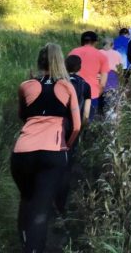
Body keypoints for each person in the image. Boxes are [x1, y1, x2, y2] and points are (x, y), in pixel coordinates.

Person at [11, 43, 81, 253]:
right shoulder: (67, 87)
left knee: (27, 199)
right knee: (41, 210)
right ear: (60, 61)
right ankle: (33, 249)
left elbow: (23, 116)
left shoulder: (26, 85)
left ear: (39, 62)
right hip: (52, 153)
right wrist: (66, 146)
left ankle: (25, 243)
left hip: (22, 152)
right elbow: (77, 126)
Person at [55, 55, 91, 216]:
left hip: (56, 127)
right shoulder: (85, 85)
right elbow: (86, 115)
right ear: (79, 67)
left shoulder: (58, 82)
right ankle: (61, 205)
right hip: (74, 128)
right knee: (67, 165)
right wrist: (82, 128)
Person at [68, 31, 110, 121]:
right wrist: (97, 94)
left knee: (71, 122)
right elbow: (103, 83)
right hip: (92, 94)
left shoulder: (73, 52)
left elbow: (66, 73)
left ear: (82, 41)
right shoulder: (102, 56)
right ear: (95, 42)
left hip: (73, 92)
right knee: (88, 122)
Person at [99, 37, 123, 114]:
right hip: (113, 79)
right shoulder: (118, 54)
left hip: (100, 78)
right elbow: (120, 70)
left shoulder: (99, 53)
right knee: (111, 103)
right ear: (112, 45)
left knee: (99, 103)